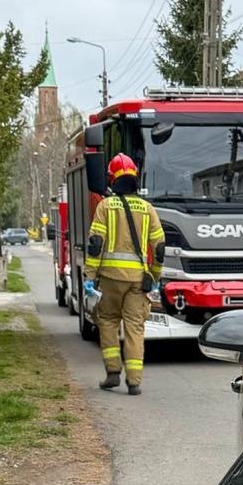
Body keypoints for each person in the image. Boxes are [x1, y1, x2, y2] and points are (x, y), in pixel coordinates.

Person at [85, 153, 165, 395]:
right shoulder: (148, 208)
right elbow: (159, 246)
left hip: (110, 279)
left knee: (107, 321)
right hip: (137, 282)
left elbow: (96, 243)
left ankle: (112, 373)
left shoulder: (105, 206)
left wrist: (90, 276)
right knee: (135, 327)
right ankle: (134, 382)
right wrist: (154, 276)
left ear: (112, 179)